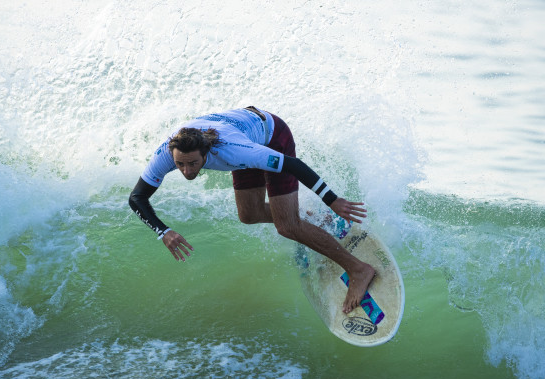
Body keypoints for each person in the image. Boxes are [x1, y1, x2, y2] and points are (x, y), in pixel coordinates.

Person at [129, 106, 375, 314]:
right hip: (245, 135)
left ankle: (358, 269)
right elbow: (137, 197)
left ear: (207, 153)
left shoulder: (232, 150)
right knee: (249, 214)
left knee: (287, 226)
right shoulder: (167, 152)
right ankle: (315, 220)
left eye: (193, 163)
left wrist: (332, 200)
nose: (187, 171)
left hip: (272, 136)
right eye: (180, 164)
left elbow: (293, 165)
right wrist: (164, 232)